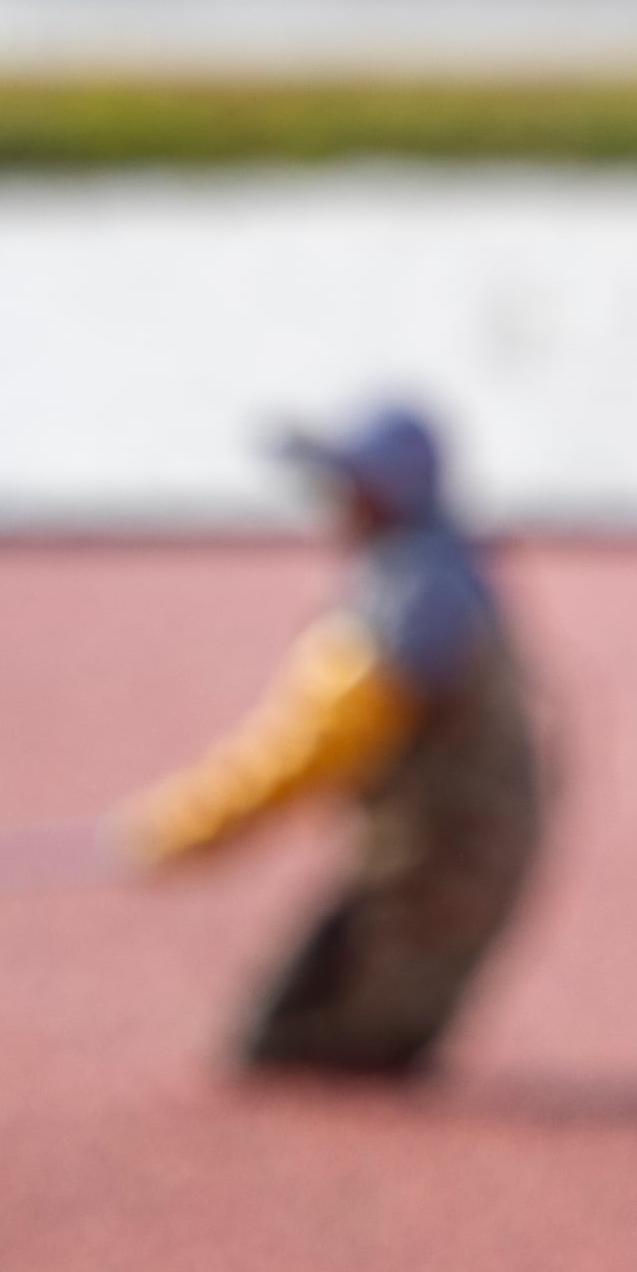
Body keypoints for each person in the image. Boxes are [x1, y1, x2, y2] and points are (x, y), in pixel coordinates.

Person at [109, 401, 543, 1076]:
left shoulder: (419, 594)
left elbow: (315, 740)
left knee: (319, 1051)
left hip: (446, 866)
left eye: (351, 486)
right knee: (289, 1038)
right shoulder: (417, 568)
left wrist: (190, 823)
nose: (333, 502)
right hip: (422, 850)